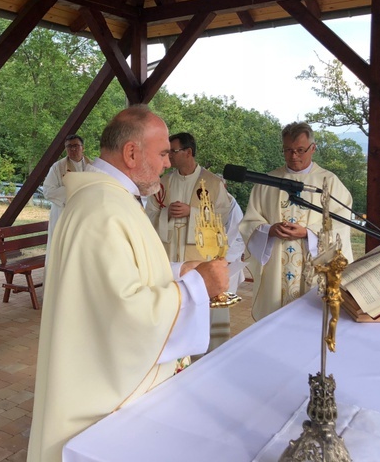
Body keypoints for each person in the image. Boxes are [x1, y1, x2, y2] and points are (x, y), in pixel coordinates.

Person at [28, 106, 229, 462]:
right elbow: (125, 312)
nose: (167, 163)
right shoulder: (103, 207)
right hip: (103, 398)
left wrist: (178, 270)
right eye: (163, 153)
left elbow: (123, 271)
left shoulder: (108, 199)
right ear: (132, 153)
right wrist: (199, 286)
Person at [240, 122, 353, 321]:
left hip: (314, 267)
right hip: (276, 267)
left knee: (311, 324)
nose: (294, 156)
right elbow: (250, 221)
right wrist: (269, 230)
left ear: (313, 148)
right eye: (288, 150)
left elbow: (342, 223)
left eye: (300, 150)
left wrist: (308, 233)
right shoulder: (268, 181)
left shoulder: (329, 182)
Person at [145, 133, 240, 351]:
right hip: (171, 257)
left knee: (199, 311)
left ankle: (203, 352)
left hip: (199, 259)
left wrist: (193, 213)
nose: (169, 157)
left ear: (188, 152)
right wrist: (166, 214)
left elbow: (226, 220)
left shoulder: (214, 183)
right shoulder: (163, 182)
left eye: (173, 152)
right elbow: (148, 214)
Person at [41, 134, 92, 253]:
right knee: (64, 250)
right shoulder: (58, 167)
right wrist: (72, 190)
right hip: (64, 213)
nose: (73, 149)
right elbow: (48, 190)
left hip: (87, 214)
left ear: (82, 148)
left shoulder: (93, 166)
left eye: (76, 146)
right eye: (69, 147)